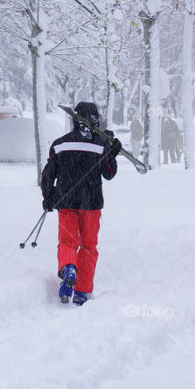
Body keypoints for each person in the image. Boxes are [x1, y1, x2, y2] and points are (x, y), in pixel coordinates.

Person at [41, 101, 121, 304]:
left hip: (66, 201)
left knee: (67, 242)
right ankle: (82, 292)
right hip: (92, 204)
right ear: (94, 120)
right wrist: (111, 152)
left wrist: (48, 197)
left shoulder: (60, 144)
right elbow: (109, 174)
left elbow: (48, 175)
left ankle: (69, 267)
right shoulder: (101, 145)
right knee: (88, 246)